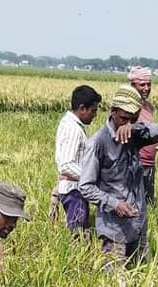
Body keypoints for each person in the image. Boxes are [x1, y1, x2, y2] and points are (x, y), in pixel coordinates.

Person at [79, 84, 158, 270]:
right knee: (116, 285)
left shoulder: (135, 135)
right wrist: (114, 204)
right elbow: (85, 186)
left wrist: (134, 127)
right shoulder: (97, 143)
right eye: (124, 118)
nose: (127, 123)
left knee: (142, 274)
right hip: (114, 229)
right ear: (113, 112)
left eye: (133, 119)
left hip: (138, 223)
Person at [55, 84, 102, 236]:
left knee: (80, 231)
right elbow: (66, 165)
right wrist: (89, 178)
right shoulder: (74, 129)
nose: (95, 115)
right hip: (74, 191)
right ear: (82, 108)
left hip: (73, 188)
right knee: (78, 235)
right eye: (93, 110)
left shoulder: (69, 123)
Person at [127, 67, 158, 205]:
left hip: (149, 164)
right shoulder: (126, 107)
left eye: (149, 84)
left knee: (148, 204)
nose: (146, 88)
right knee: (133, 205)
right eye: (142, 84)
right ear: (133, 85)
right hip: (133, 164)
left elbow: (148, 132)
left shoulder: (148, 107)